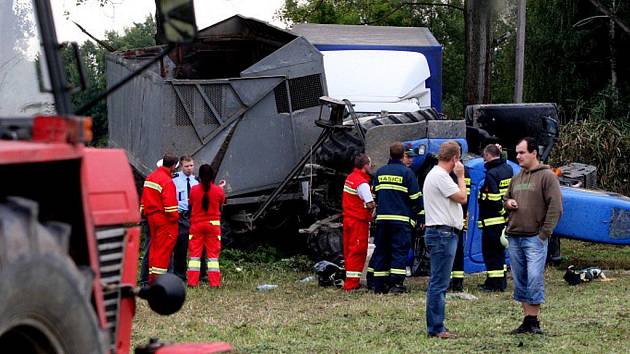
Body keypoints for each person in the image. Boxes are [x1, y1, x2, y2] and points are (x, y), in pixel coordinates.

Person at [504, 137, 562, 334]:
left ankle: (534, 321)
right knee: (520, 279)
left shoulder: (547, 176)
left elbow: (556, 207)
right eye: (517, 153)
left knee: (534, 278)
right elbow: (506, 197)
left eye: (522, 152)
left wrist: (544, 233)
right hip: (514, 236)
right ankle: (527, 320)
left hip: (534, 238)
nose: (518, 156)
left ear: (534, 153)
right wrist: (508, 203)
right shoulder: (517, 177)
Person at [423, 141, 467, 339]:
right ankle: (436, 328)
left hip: (441, 233)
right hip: (442, 234)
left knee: (439, 282)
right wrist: (461, 176)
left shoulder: (435, 175)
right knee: (439, 284)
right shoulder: (441, 176)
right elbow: (462, 197)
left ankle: (437, 325)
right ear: (456, 158)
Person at [370, 142, 422, 294]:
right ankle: (396, 285)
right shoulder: (407, 173)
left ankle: (379, 285)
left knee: (381, 250)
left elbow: (376, 196)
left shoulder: (380, 172)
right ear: (402, 156)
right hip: (401, 220)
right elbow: (415, 198)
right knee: (399, 251)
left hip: (383, 219)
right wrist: (420, 215)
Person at [477, 144, 513, 292]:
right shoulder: (508, 168)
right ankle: (499, 281)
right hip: (504, 220)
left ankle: (495, 284)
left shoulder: (491, 173)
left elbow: (493, 197)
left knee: (491, 253)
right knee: (499, 252)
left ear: (487, 156)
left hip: (492, 220)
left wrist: (500, 211)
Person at [141, 154, 180, 284]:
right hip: (164, 220)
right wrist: (176, 218)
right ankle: (160, 282)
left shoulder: (150, 177)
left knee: (154, 249)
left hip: (151, 217)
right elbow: (171, 210)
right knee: (163, 252)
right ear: (173, 166)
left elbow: (144, 200)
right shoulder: (168, 182)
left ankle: (152, 278)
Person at [187, 164, 226, 287]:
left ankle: (192, 282)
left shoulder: (193, 189)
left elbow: (191, 203)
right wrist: (219, 187)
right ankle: (214, 283)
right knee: (213, 257)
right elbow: (221, 201)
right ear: (212, 176)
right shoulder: (219, 190)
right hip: (213, 226)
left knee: (194, 256)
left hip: (196, 225)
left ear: (200, 176)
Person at [341, 153, 375, 291]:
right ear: (365, 166)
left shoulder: (350, 178)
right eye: (370, 164)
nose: (372, 167)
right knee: (358, 251)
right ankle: (352, 284)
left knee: (349, 250)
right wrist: (373, 207)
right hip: (358, 222)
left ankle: (349, 281)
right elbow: (369, 203)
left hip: (348, 219)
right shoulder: (362, 183)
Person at [171, 155, 199, 281]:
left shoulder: (195, 181)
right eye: (186, 166)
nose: (189, 168)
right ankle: (179, 275)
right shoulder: (174, 180)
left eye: (191, 166)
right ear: (181, 166)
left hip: (193, 215)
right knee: (181, 247)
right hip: (180, 216)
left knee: (194, 246)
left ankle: (196, 275)